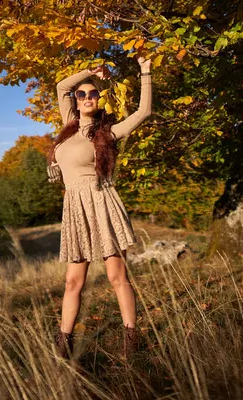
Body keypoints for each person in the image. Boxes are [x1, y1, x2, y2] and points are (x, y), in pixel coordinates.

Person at [49, 57, 152, 359]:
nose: (86, 98)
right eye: (82, 94)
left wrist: (145, 71)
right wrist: (90, 73)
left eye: (93, 93)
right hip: (75, 206)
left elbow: (144, 111)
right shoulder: (68, 126)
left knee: (116, 276)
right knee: (72, 281)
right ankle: (64, 345)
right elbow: (61, 86)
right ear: (76, 101)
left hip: (101, 202)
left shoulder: (108, 132)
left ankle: (131, 339)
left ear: (99, 99)